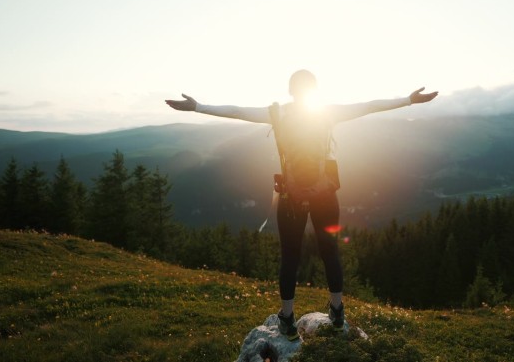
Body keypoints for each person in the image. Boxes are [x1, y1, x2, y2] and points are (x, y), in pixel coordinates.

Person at [166, 70, 437, 340]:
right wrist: (408, 100)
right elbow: (368, 107)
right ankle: (337, 311)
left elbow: (236, 111)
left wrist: (197, 107)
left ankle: (288, 319)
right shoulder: (327, 112)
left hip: (290, 196)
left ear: (291, 90)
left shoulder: (277, 114)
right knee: (330, 251)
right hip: (325, 192)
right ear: (315, 90)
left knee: (290, 256)